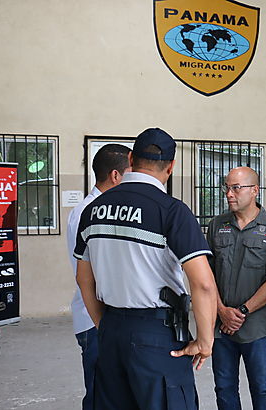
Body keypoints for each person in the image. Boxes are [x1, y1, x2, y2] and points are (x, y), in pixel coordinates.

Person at [74, 128, 219, 410]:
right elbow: (203, 284)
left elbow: (83, 279)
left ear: (131, 159)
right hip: (157, 335)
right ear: (172, 166)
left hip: (112, 330)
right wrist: (205, 340)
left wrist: (105, 325)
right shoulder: (171, 211)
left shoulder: (93, 210)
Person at [206, 166, 266, 410]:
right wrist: (221, 311)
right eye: (227, 188)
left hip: (256, 327)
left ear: (254, 191)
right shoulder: (217, 225)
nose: (229, 194)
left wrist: (241, 311)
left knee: (260, 388)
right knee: (224, 387)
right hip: (221, 327)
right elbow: (206, 276)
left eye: (236, 188)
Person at [65, 143, 130, 410]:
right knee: (98, 394)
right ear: (115, 176)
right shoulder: (88, 212)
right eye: (132, 172)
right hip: (95, 319)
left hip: (103, 317)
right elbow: (88, 276)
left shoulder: (100, 208)